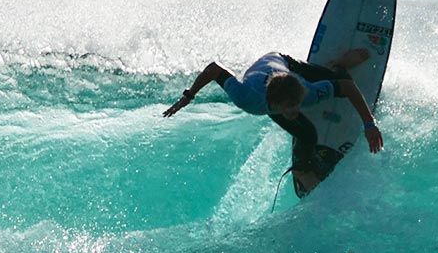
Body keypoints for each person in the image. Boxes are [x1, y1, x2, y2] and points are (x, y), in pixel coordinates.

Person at [164, 48, 383, 195]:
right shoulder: (246, 98)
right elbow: (214, 68)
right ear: (274, 106)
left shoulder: (305, 92)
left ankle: (339, 64)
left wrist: (369, 124)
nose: (296, 110)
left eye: (296, 105)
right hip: (262, 81)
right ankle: (301, 170)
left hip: (284, 63)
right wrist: (188, 96)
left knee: (341, 78)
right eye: (290, 108)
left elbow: (346, 87)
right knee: (307, 133)